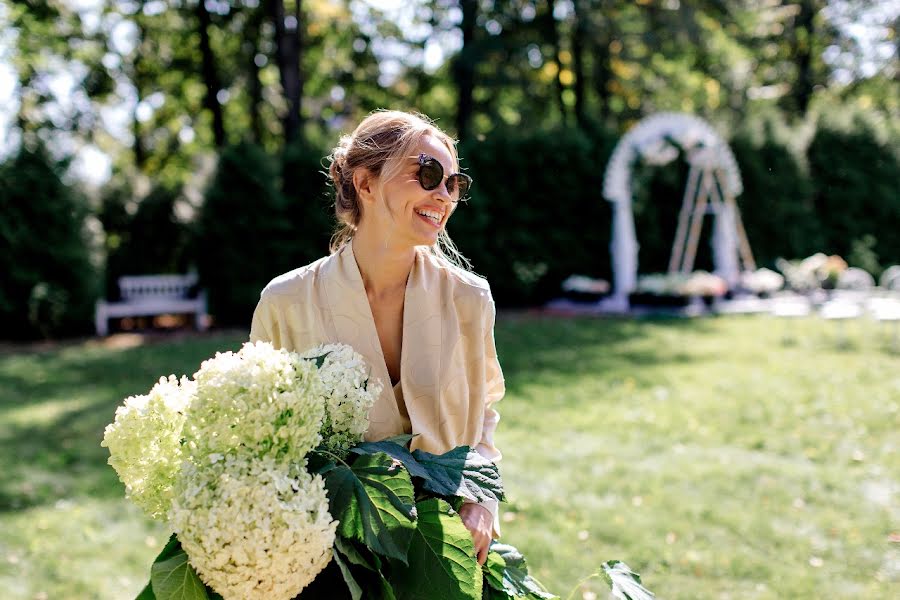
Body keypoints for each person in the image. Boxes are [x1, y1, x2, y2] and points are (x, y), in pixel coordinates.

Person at [249, 110, 505, 568]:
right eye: (427, 174)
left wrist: (483, 502)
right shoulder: (285, 303)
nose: (443, 196)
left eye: (454, 183)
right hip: (334, 559)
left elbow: (483, 418)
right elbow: (260, 440)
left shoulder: (470, 299)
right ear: (365, 183)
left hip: (449, 552)